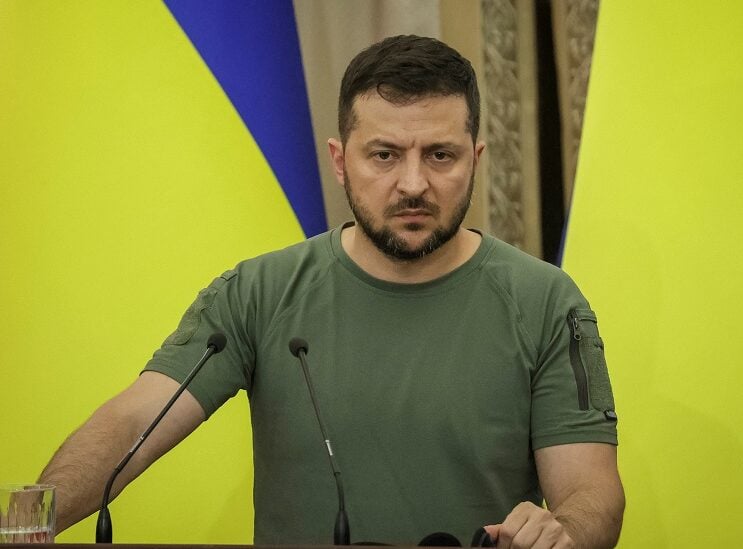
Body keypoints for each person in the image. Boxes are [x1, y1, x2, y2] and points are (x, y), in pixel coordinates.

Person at [38, 35, 624, 548]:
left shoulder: (547, 301)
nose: (413, 183)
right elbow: (136, 417)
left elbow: (590, 491)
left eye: (440, 155)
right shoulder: (259, 293)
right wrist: (28, 522)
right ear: (341, 162)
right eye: (385, 155)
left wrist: (562, 531)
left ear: (476, 160)